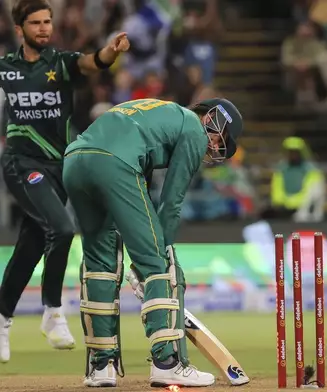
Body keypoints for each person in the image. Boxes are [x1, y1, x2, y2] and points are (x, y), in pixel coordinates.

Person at [0, 0, 130, 361]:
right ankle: (52, 311)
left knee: (32, 244)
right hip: (21, 162)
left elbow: (92, 62)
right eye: (36, 23)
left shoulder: (61, 63)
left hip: (58, 166)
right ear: (20, 29)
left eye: (48, 22)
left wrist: (110, 51)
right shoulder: (4, 68)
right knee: (63, 229)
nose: (44, 28)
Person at [62, 97, 243, 387]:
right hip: (114, 161)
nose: (213, 148)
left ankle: (101, 367)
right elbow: (171, 203)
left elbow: (139, 186)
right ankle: (167, 363)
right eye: (220, 140)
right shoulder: (195, 129)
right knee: (159, 261)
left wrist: (140, 250)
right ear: (212, 119)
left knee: (100, 263)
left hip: (74, 161)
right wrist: (156, 256)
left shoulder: (159, 113)